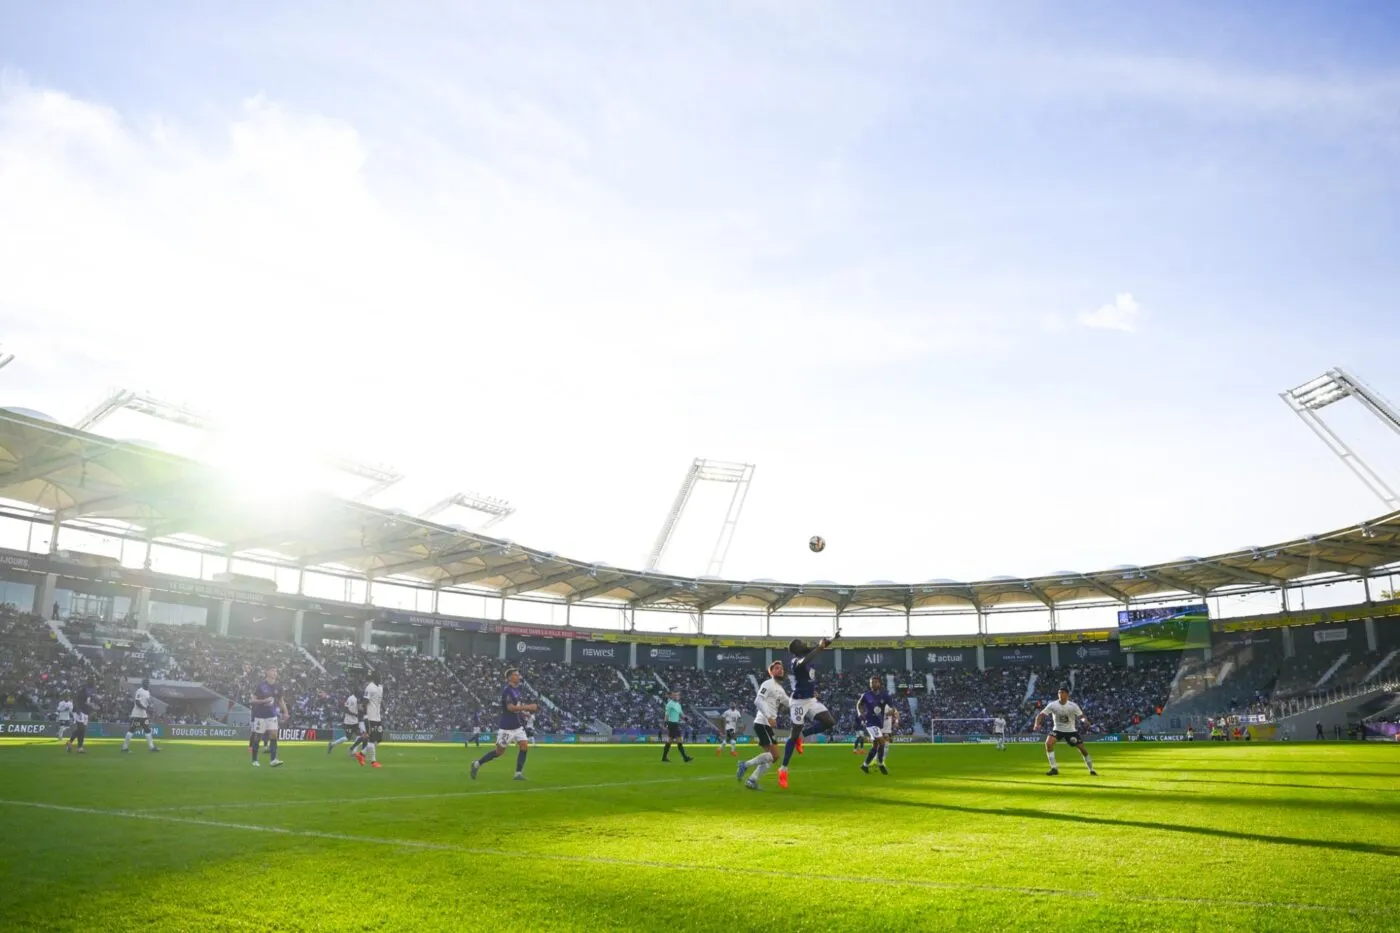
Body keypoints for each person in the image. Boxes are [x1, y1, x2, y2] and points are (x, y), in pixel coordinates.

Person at [778, 637, 837, 789]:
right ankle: (783, 769)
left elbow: (819, 648)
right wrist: (818, 647)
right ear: (796, 648)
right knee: (793, 734)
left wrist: (832, 639)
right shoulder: (796, 662)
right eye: (801, 642)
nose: (804, 643)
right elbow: (808, 658)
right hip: (798, 702)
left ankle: (803, 736)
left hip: (810, 699)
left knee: (829, 722)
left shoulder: (807, 653)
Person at [470, 669, 537, 781]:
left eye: (518, 674)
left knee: (524, 746)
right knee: (499, 752)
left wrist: (524, 714)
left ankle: (518, 773)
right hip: (507, 728)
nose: (518, 676)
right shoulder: (507, 691)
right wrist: (528, 707)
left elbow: (517, 707)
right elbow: (510, 708)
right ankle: (477, 763)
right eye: (516, 675)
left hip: (518, 726)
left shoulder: (517, 690)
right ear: (510, 678)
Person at [736, 660, 789, 790]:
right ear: (771, 672)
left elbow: (789, 703)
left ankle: (752, 780)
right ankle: (745, 765)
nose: (780, 670)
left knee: (771, 758)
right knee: (775, 755)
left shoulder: (780, 689)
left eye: (781, 668)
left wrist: (807, 698)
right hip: (762, 722)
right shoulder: (768, 684)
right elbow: (758, 700)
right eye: (776, 668)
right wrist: (769, 716)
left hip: (767, 725)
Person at [1033, 688, 1097, 776]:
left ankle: (1091, 769)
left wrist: (1084, 721)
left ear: (1067, 695)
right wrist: (1036, 724)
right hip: (1057, 730)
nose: (1060, 694)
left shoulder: (1073, 705)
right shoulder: (1053, 705)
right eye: (1059, 693)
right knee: (1048, 743)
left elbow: (1081, 716)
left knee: (1083, 750)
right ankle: (1054, 768)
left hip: (1071, 731)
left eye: (1062, 693)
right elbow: (1041, 715)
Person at [249, 667, 289, 768]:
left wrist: (286, 712)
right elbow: (253, 700)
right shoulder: (260, 686)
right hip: (260, 715)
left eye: (276, 671)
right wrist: (264, 701)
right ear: (267, 672)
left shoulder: (278, 687)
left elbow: (281, 700)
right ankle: (254, 760)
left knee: (274, 735)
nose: (274, 673)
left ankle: (273, 760)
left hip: (272, 715)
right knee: (257, 737)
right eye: (272, 671)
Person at [857, 676, 894, 775]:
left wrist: (892, 711)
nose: (872, 684)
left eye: (875, 682)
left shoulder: (885, 696)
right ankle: (881, 763)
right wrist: (860, 713)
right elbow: (859, 704)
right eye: (871, 682)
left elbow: (892, 708)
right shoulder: (866, 695)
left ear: (879, 684)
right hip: (870, 723)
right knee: (882, 743)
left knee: (875, 746)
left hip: (879, 723)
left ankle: (865, 765)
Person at [122, 678, 160, 754]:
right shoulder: (139, 691)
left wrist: (149, 707)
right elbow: (137, 702)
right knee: (131, 730)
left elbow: (146, 702)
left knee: (147, 730)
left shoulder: (147, 692)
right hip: (136, 714)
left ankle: (151, 747)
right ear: (145, 684)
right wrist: (145, 708)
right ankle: (124, 748)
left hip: (143, 715)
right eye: (148, 683)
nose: (149, 685)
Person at [357, 673, 384, 768]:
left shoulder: (381, 687)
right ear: (374, 678)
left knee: (379, 738)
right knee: (372, 739)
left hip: (377, 716)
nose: (380, 678)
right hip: (370, 717)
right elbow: (365, 700)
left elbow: (379, 700)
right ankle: (373, 762)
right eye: (378, 676)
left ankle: (362, 754)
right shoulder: (370, 687)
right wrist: (362, 708)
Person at [327, 688, 363, 755]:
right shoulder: (351, 699)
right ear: (356, 692)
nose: (360, 693)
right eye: (359, 692)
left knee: (358, 736)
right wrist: (355, 714)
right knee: (349, 737)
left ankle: (353, 751)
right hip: (350, 722)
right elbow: (346, 709)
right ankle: (333, 745)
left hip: (353, 721)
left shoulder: (354, 699)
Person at [65, 681, 96, 754]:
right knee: (81, 728)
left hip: (85, 711)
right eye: (93, 681)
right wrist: (78, 709)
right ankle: (74, 744)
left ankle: (78, 746)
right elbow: (76, 699)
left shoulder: (91, 690)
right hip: (79, 710)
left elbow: (88, 702)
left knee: (82, 729)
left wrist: (92, 709)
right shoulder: (83, 689)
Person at [662, 691, 693, 763]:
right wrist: (665, 724)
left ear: (679, 696)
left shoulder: (678, 704)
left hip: (675, 724)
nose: (676, 696)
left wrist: (687, 719)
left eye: (677, 695)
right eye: (674, 695)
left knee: (669, 741)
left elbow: (681, 714)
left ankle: (664, 757)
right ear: (672, 696)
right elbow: (666, 714)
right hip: (672, 724)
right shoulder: (670, 704)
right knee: (679, 741)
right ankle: (685, 758)